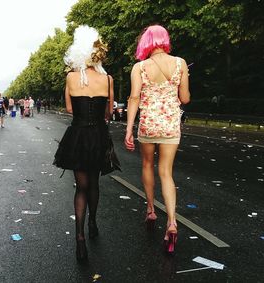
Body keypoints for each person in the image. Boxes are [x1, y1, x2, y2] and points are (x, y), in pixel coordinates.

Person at [53, 25, 120, 261]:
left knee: (80, 187)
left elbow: (70, 109)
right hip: (99, 136)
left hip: (78, 136)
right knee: (94, 184)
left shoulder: (71, 77)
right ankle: (93, 222)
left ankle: (79, 238)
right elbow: (109, 113)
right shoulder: (108, 79)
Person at [124, 25, 190, 255]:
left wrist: (129, 129)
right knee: (166, 172)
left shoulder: (139, 67)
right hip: (171, 124)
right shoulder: (180, 63)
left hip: (149, 123)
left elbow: (133, 98)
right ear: (165, 40)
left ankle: (151, 209)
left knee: (146, 165)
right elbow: (185, 98)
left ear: (146, 42)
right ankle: (171, 221)